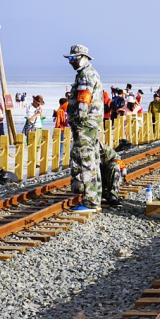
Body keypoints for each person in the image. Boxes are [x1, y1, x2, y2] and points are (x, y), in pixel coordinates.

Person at [65, 44, 104, 213]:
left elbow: (83, 101)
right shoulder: (89, 73)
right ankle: (94, 198)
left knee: (85, 161)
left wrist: (78, 121)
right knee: (92, 160)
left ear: (83, 58)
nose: (71, 62)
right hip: (91, 126)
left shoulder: (86, 75)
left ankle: (90, 201)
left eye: (74, 58)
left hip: (85, 126)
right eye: (70, 59)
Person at [99, 141, 126, 206]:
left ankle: (113, 196)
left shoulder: (103, 148)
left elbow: (117, 158)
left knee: (115, 166)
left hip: (103, 174)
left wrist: (123, 168)